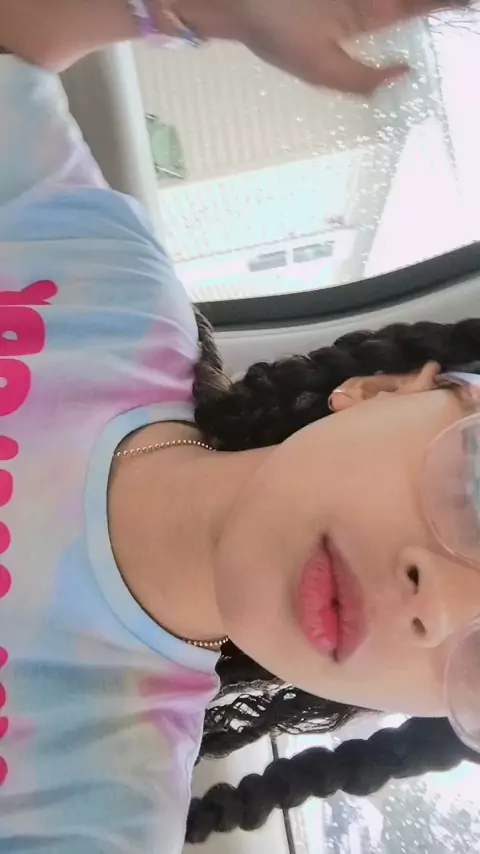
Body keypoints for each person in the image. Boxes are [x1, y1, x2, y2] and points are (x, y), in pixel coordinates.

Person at [0, 1, 479, 852]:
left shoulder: (97, 812)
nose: (434, 607)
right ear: (383, 391)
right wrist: (198, 9)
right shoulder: (108, 298)